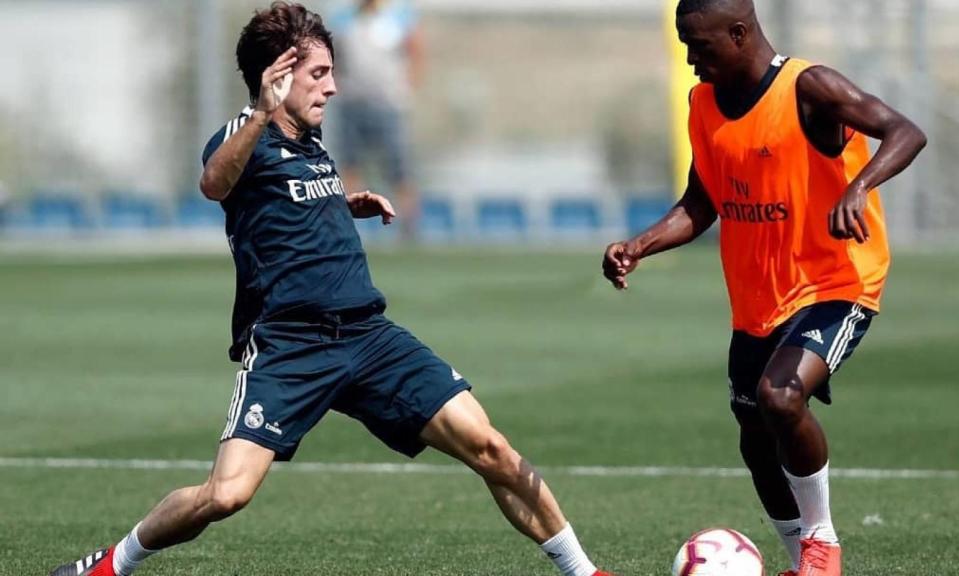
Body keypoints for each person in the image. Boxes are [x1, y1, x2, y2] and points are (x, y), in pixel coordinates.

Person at [49, 4, 610, 576]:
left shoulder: (312, 140)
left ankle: (585, 572)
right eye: (319, 74)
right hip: (291, 347)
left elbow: (281, 206)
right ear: (279, 75)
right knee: (226, 495)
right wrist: (263, 114)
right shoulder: (243, 136)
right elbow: (215, 183)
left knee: (491, 449)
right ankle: (111, 564)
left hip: (368, 336)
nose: (334, 88)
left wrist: (341, 203)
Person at [601, 1, 926, 575]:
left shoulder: (810, 87)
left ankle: (821, 546)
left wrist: (860, 184)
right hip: (758, 298)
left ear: (739, 32)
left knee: (781, 397)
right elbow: (702, 202)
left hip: (837, 281)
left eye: (699, 45)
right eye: (684, 44)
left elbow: (906, 130)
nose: (689, 57)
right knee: (755, 437)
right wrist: (641, 244)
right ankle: (801, 562)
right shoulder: (702, 103)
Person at [333, 0, 423, 241]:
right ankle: (347, 229)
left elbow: (415, 50)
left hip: (388, 105)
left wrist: (407, 88)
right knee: (350, 165)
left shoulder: (399, 17)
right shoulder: (344, 19)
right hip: (353, 104)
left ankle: (408, 229)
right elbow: (335, 56)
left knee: (399, 169)